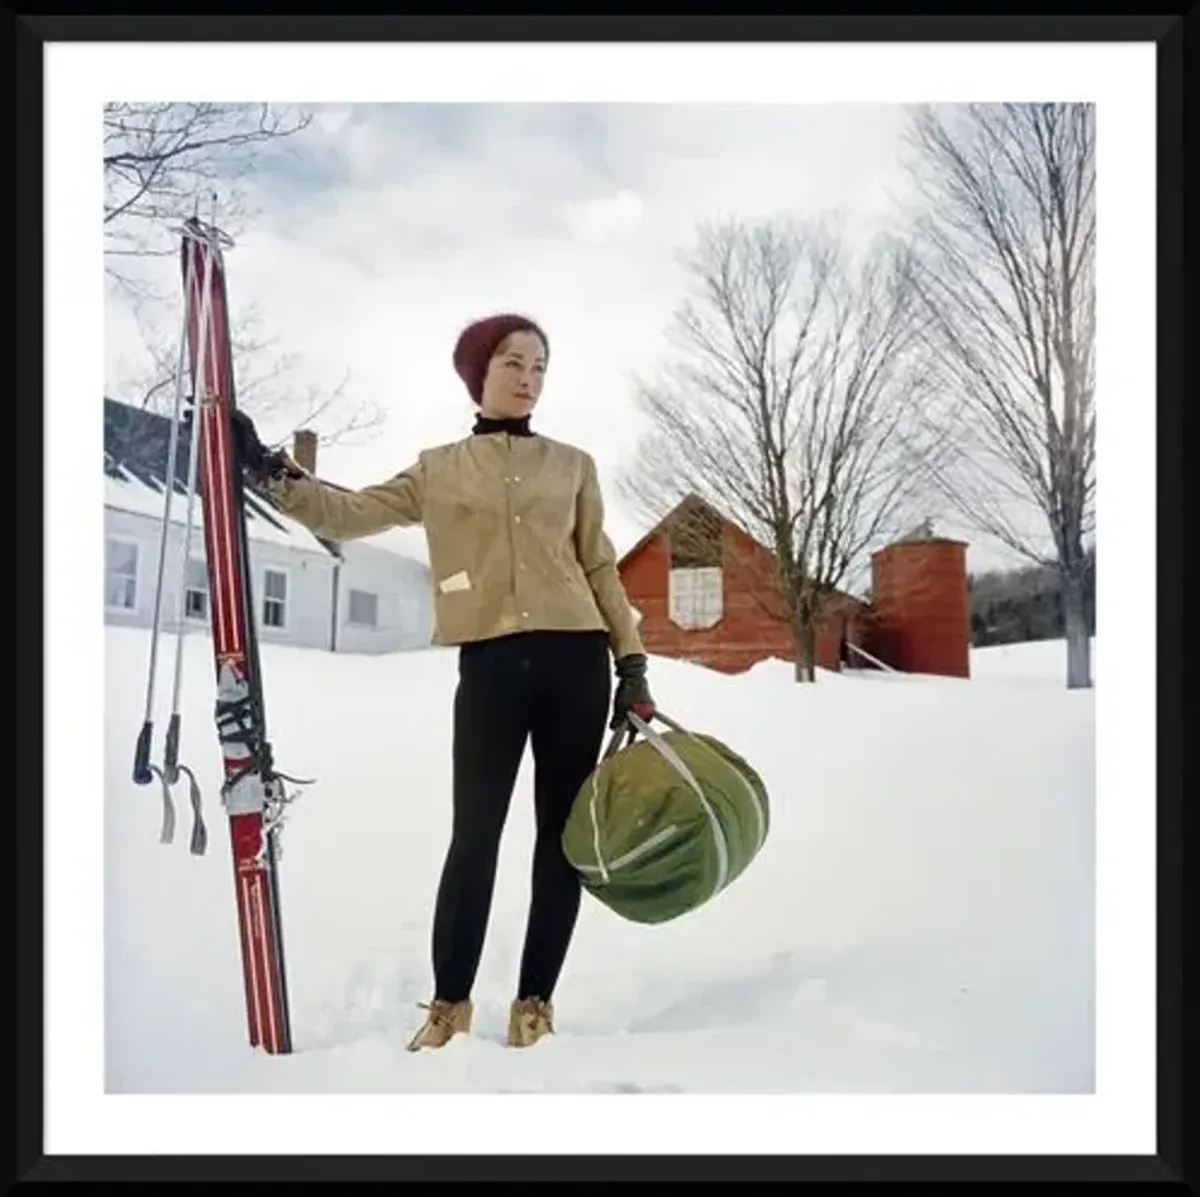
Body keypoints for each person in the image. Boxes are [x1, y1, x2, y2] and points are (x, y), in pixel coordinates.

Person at [227, 312, 657, 1052]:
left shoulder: (573, 465)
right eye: (513, 363)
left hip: (575, 663)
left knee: (561, 841)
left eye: (539, 367)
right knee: (475, 835)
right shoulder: (439, 467)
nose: (528, 378)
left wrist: (633, 662)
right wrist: (271, 471)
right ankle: (450, 1003)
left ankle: (534, 1005)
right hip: (489, 665)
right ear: (478, 374)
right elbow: (352, 511)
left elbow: (597, 565)